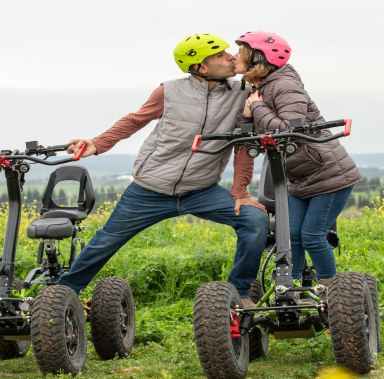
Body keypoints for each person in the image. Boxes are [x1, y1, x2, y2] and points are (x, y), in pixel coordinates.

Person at [59, 33, 269, 307]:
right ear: (200, 67)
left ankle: (239, 294)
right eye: (220, 54)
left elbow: (243, 146)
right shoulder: (169, 91)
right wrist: (98, 143)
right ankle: (61, 298)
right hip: (149, 189)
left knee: (254, 220)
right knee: (104, 242)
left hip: (202, 190)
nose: (231, 57)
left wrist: (240, 191)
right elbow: (135, 120)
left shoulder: (243, 94)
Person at [232, 30, 363, 284]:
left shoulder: (284, 85)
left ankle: (331, 292)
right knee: (290, 236)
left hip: (329, 175)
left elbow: (288, 132)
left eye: (240, 51)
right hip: (298, 178)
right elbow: (249, 135)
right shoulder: (259, 87)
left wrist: (256, 107)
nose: (235, 55)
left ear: (257, 57)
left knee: (313, 235)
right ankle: (290, 292)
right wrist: (248, 114)